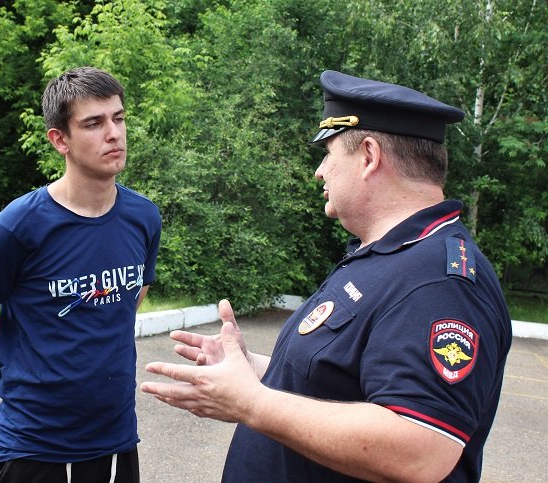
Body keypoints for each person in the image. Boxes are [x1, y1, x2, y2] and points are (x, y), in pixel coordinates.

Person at [141, 70, 512, 482]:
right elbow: (337, 380)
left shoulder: (440, 283)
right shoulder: (389, 252)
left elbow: (420, 448)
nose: (320, 171)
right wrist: (256, 370)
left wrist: (251, 404)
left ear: (369, 156)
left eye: (329, 154)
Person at [0, 66, 161, 483]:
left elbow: (133, 296)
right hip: (33, 447)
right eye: (94, 123)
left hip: (115, 441)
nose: (114, 133)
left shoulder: (143, 217)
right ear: (60, 140)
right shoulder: (16, 227)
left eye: (119, 118)